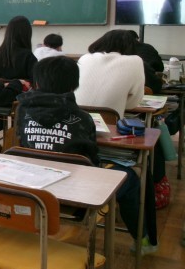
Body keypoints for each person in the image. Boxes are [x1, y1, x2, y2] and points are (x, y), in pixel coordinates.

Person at [16, 56, 153, 252]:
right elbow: (92, 158)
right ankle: (143, 240)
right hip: (76, 194)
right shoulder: (83, 118)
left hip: (31, 188)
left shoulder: (22, 111)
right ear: (74, 85)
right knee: (130, 177)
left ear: (36, 83)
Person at [74, 30, 144, 118]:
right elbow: (133, 103)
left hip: (75, 119)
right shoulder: (135, 61)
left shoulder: (85, 58)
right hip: (110, 120)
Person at [0, 15, 37, 81]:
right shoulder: (28, 56)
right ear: (27, 34)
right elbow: (36, 82)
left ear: (8, 32)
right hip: (21, 88)